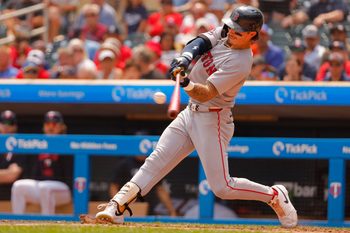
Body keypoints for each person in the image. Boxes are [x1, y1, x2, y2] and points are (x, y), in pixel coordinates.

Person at [96, 6, 298, 228]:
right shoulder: (227, 32)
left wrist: (185, 82)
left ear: (252, 34)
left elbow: (207, 92)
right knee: (155, 160)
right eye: (231, 27)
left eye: (238, 31)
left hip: (213, 118)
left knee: (222, 187)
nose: (231, 32)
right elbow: (201, 41)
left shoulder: (241, 62)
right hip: (190, 112)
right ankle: (117, 206)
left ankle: (274, 195)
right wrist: (185, 58)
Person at [11, 111, 73, 215]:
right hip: (42, 188)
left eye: (54, 124)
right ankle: (16, 222)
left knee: (46, 187)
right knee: (18, 186)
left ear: (62, 127)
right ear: (44, 126)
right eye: (48, 124)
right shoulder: (38, 144)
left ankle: (47, 222)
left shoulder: (68, 143)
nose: (50, 127)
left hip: (64, 190)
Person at [109, 156, 177, 216]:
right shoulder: (125, 164)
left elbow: (160, 189)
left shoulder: (152, 164)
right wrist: (117, 206)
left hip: (148, 207)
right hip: (127, 206)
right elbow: (114, 187)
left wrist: (172, 211)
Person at [0, 110, 26, 200]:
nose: (6, 126)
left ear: (15, 126)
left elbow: (12, 175)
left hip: (12, 196)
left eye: (10, 123)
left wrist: (7, 174)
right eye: (3, 122)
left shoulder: (21, 145)